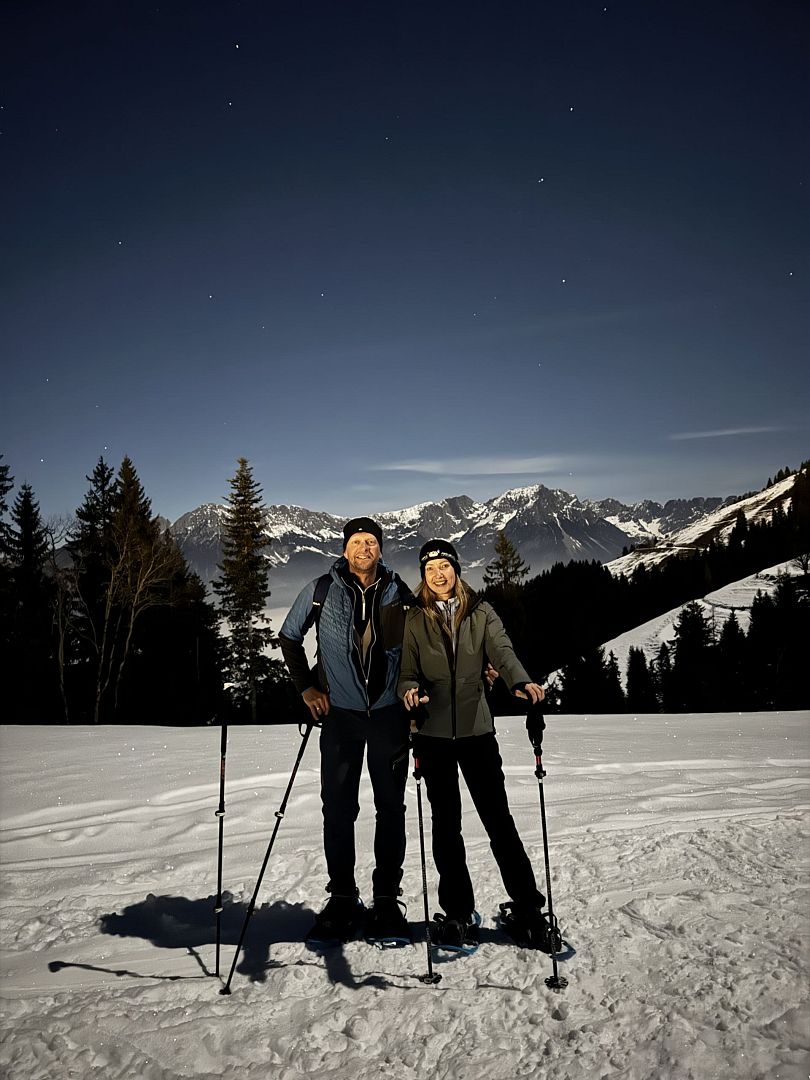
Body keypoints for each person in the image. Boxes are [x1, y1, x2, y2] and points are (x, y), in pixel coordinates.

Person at [398, 539, 548, 950]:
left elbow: (503, 651)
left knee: (498, 821)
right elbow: (406, 670)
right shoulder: (414, 619)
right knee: (446, 827)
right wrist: (409, 690)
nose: (438, 574)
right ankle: (458, 912)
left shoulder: (481, 612)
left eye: (444, 566)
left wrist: (520, 681)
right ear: (423, 576)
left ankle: (529, 910)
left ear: (456, 570)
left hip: (478, 734)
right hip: (432, 736)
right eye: (430, 569)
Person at [279, 517, 413, 944]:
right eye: (357, 542)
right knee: (338, 808)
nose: (364, 548)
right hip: (340, 717)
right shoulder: (321, 590)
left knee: (390, 808)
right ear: (344, 549)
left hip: (389, 714)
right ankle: (342, 897)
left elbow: (421, 644)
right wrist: (307, 688)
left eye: (371, 542)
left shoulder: (398, 591)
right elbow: (289, 636)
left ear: (380, 549)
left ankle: (386, 898)